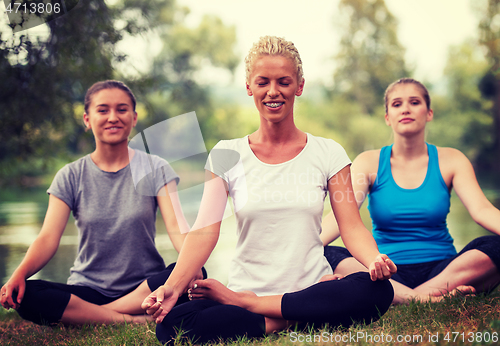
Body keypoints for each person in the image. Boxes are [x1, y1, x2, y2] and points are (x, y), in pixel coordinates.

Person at [141, 36, 397, 345]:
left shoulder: (328, 152)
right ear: (249, 86)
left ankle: (259, 310)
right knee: (171, 325)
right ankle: (297, 316)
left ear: (299, 86)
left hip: (307, 289)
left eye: (283, 82)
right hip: (249, 288)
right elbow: (204, 233)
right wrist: (171, 287)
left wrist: (373, 260)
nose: (273, 92)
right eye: (262, 82)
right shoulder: (226, 154)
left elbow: (351, 226)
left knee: (378, 290)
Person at [0, 80, 204, 325]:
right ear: (87, 119)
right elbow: (47, 238)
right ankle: (131, 319)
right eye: (103, 110)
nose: (113, 117)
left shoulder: (155, 167)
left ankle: (93, 315)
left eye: (121, 109)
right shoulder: (70, 175)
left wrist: (193, 266)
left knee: (194, 272)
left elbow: (175, 226)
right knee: (29, 295)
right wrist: (19, 274)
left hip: (144, 286)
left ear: (134, 117)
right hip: (88, 289)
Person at [322, 78, 500, 304]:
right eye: (396, 104)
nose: (405, 108)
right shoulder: (369, 162)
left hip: (444, 269)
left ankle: (401, 299)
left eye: (414, 102)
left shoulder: (452, 160)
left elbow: (482, 210)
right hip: (385, 271)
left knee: (495, 246)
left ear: (429, 113)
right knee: (327, 253)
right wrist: (308, 246)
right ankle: (426, 299)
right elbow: (342, 218)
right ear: (387, 117)